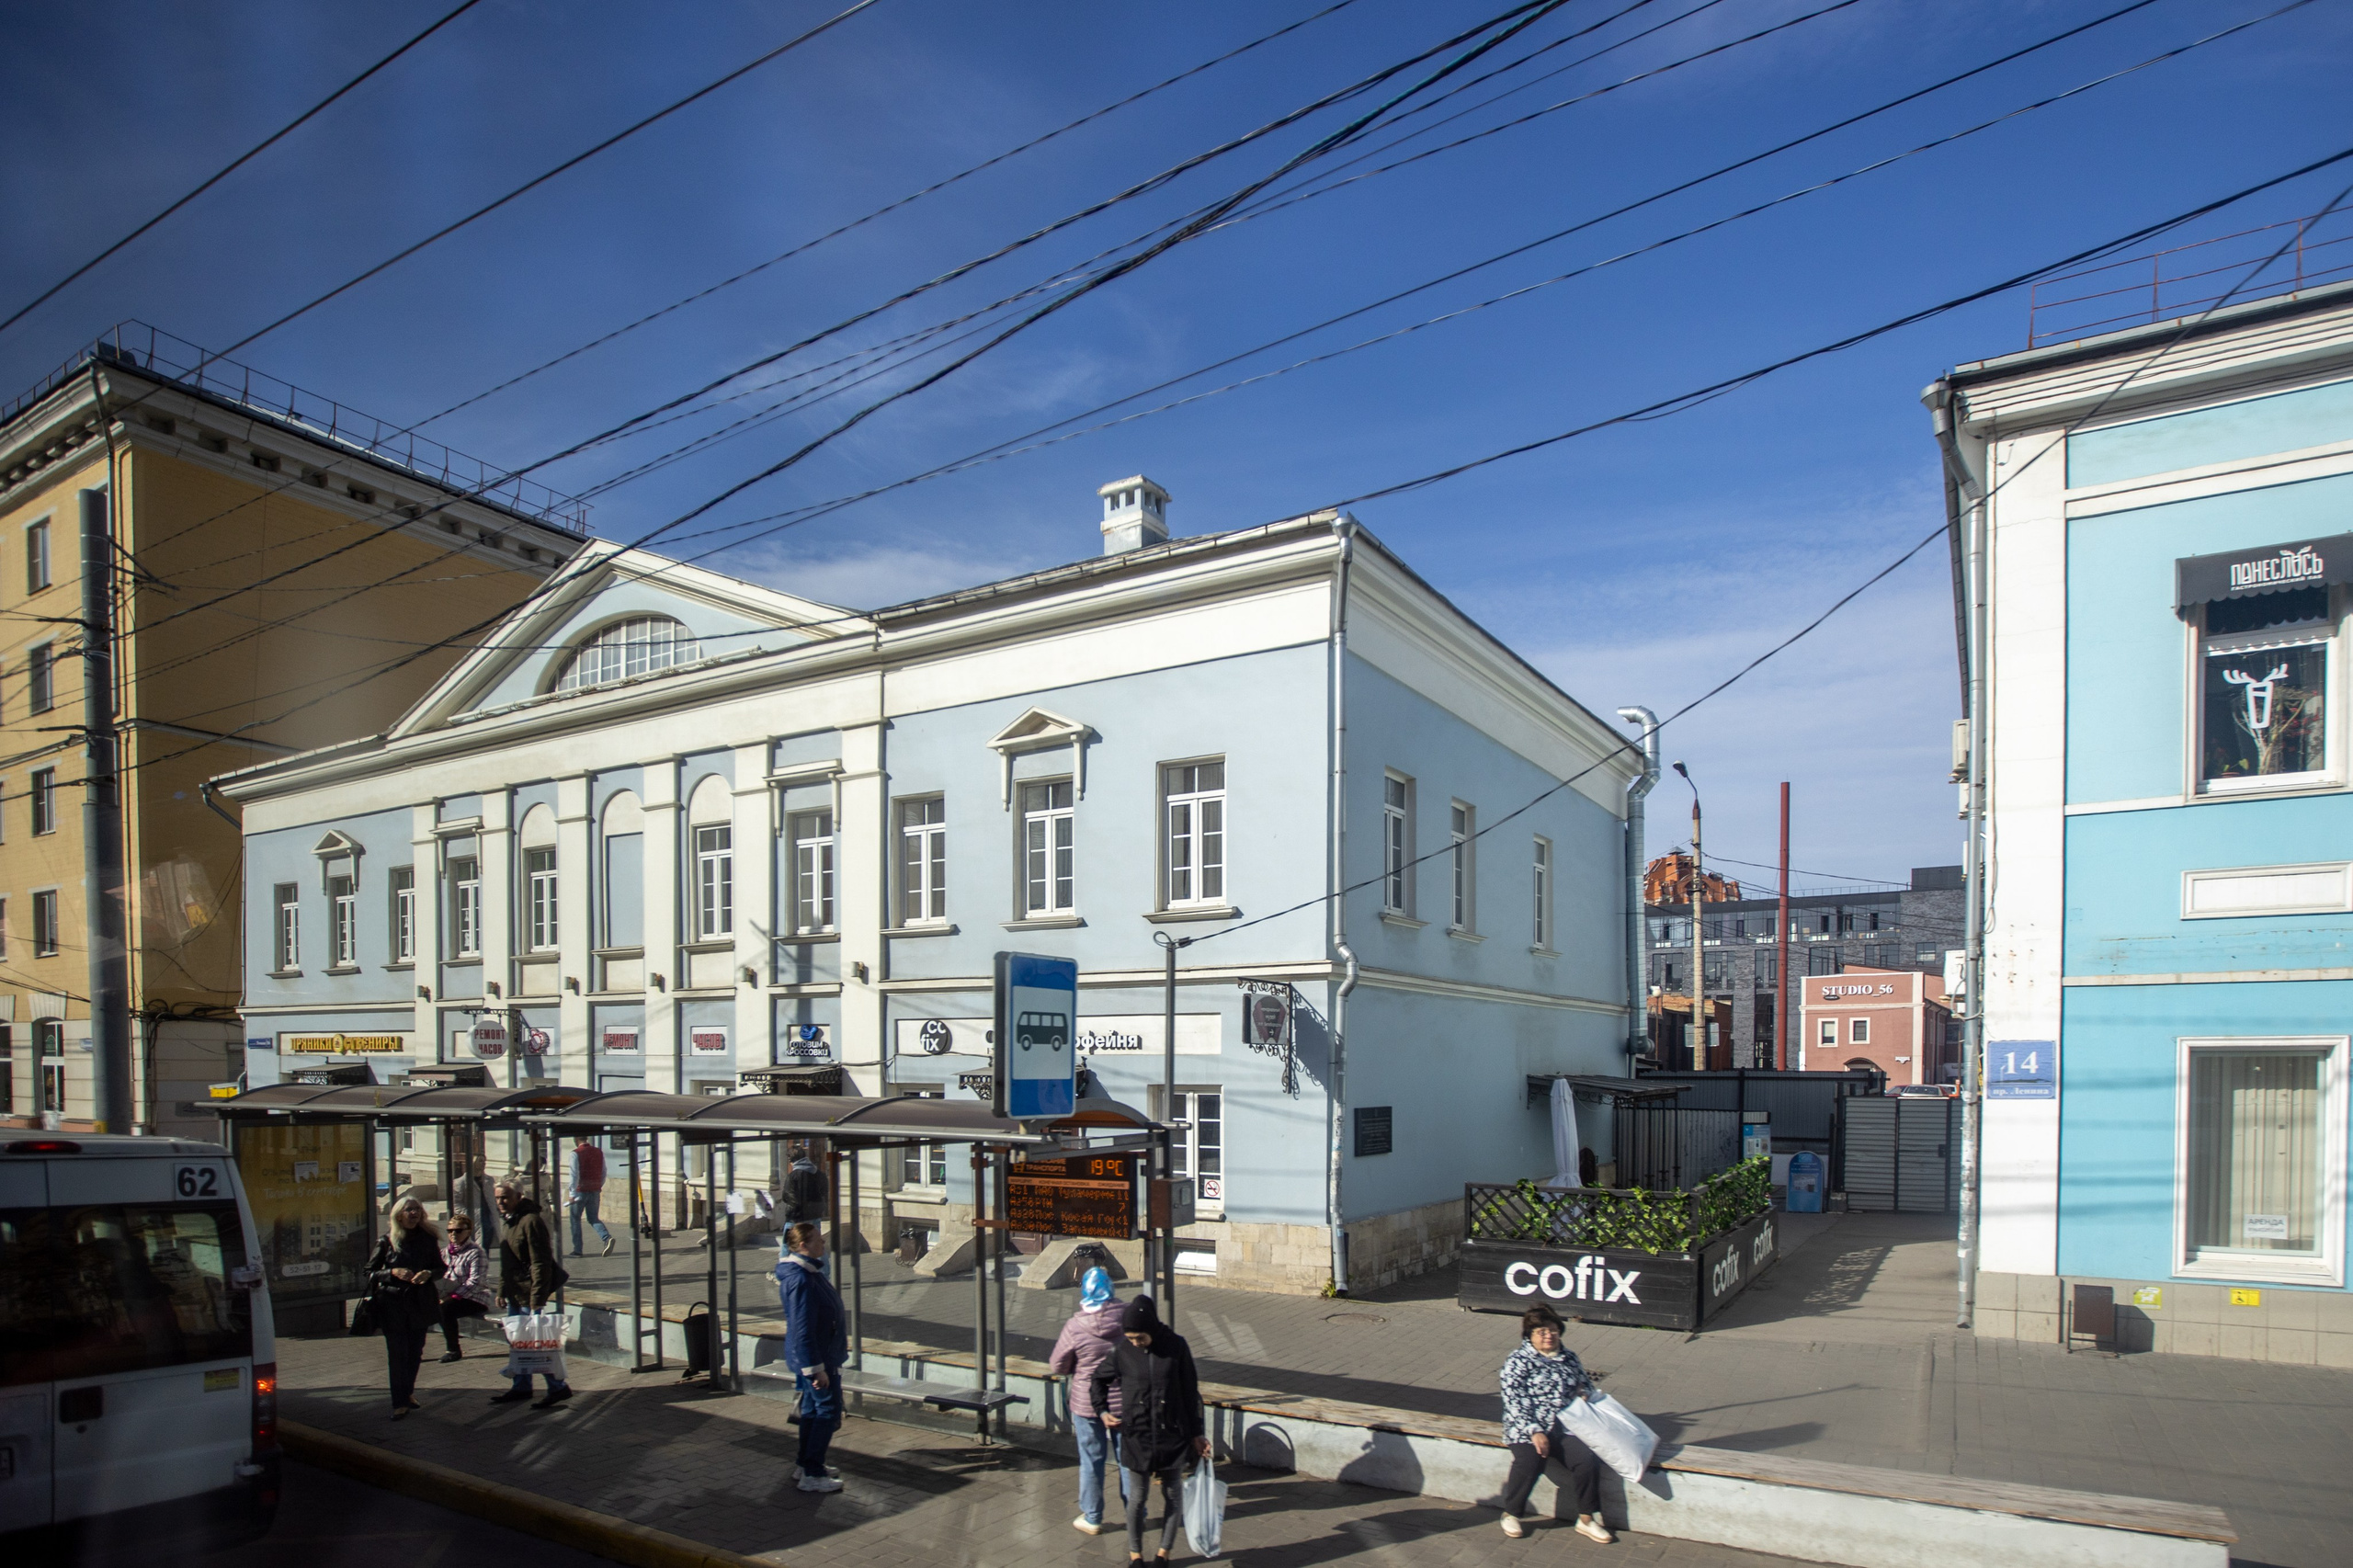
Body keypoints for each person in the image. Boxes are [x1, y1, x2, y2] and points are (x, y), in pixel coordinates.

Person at [1094, 1294, 1208, 1565]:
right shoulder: (1123, 1352)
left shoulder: (1176, 1346)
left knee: (1172, 1495)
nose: (1135, 1343)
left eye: (1140, 1338)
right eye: (1131, 1338)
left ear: (1152, 1329)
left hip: (1172, 1435)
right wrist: (1103, 1411)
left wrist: (1196, 1433)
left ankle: (1163, 1554)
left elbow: (1190, 1392)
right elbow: (1098, 1379)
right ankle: (1136, 1555)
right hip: (1138, 1435)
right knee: (1137, 1497)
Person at [1495, 1302, 1611, 1542]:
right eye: (1541, 1332)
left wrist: (1586, 1393)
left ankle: (1587, 1518)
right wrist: (1534, 1431)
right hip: (1526, 1425)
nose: (1548, 1336)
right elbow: (1514, 1399)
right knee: (1530, 1459)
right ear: (1530, 1336)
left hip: (1565, 1425)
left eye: (1553, 1331)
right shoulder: (1518, 1361)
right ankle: (1512, 1513)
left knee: (1586, 1460)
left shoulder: (1569, 1357)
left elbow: (1584, 1384)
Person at [1048, 1265, 1130, 1535]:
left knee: (1091, 1460)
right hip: (1124, 1402)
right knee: (1128, 1460)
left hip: (1086, 1403)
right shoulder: (1128, 1318)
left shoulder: (1075, 1325)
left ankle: (1093, 1517)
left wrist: (1078, 1367)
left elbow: (1058, 1365)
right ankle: (1135, 1513)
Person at [774, 1219, 848, 1493]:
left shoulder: (809, 1273)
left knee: (811, 1411)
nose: (823, 1243)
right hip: (818, 1359)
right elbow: (802, 1328)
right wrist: (815, 1368)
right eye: (819, 1240)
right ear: (803, 1246)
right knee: (825, 1413)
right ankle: (813, 1474)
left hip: (819, 1356)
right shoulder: (801, 1280)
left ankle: (806, 1465)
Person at [489, 1181, 572, 1410]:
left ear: (518, 1196)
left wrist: (537, 1300)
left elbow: (540, 1263)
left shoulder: (530, 1221)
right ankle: (522, 1386)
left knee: (535, 1343)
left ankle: (557, 1387)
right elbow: (508, 1262)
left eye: (505, 1197)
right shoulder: (509, 1221)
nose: (500, 1202)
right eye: (497, 1198)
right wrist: (502, 1290)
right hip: (515, 1292)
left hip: (529, 1294)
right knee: (518, 1343)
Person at [365, 1198, 443, 1419]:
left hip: (420, 1303)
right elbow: (368, 1272)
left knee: (415, 1352)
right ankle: (398, 1402)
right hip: (393, 1305)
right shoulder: (387, 1241)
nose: (414, 1213)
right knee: (398, 1354)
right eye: (410, 1209)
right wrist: (392, 1273)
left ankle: (407, 1392)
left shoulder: (428, 1239)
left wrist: (429, 1274)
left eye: (417, 1209)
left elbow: (440, 1267)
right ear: (399, 1215)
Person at [437, 1211, 496, 1361]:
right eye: (450, 1231)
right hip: (448, 1294)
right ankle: (413, 1350)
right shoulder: (444, 1253)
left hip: (475, 1297)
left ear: (468, 1231)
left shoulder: (476, 1252)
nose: (453, 1234)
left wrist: (452, 1296)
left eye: (458, 1231)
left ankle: (453, 1350)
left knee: (445, 1310)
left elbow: (475, 1281)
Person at [568, 1136, 613, 1257]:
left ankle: (577, 1250)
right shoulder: (598, 1152)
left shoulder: (575, 1154)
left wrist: (572, 1193)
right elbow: (604, 1172)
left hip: (580, 1191)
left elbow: (574, 1174)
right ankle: (606, 1238)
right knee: (593, 1218)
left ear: (576, 1140)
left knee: (575, 1219)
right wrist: (598, 1185)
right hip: (595, 1190)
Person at [782, 1142, 829, 1225]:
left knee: (792, 1238)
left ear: (791, 1160)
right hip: (815, 1216)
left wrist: (799, 1208)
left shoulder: (793, 1176)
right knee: (813, 1238)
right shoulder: (819, 1174)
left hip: (796, 1218)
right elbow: (824, 1191)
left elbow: (787, 1196)